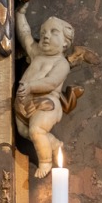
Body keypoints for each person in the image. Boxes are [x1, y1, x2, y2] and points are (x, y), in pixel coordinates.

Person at [13, 11, 73, 178]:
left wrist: (30, 87)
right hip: (24, 103)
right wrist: (20, 13)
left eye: (54, 32)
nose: (46, 36)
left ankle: (45, 162)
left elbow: (51, 82)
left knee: (36, 130)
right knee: (24, 132)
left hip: (47, 104)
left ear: (65, 43)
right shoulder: (36, 54)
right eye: (43, 32)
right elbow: (25, 34)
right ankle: (53, 143)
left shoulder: (61, 63)